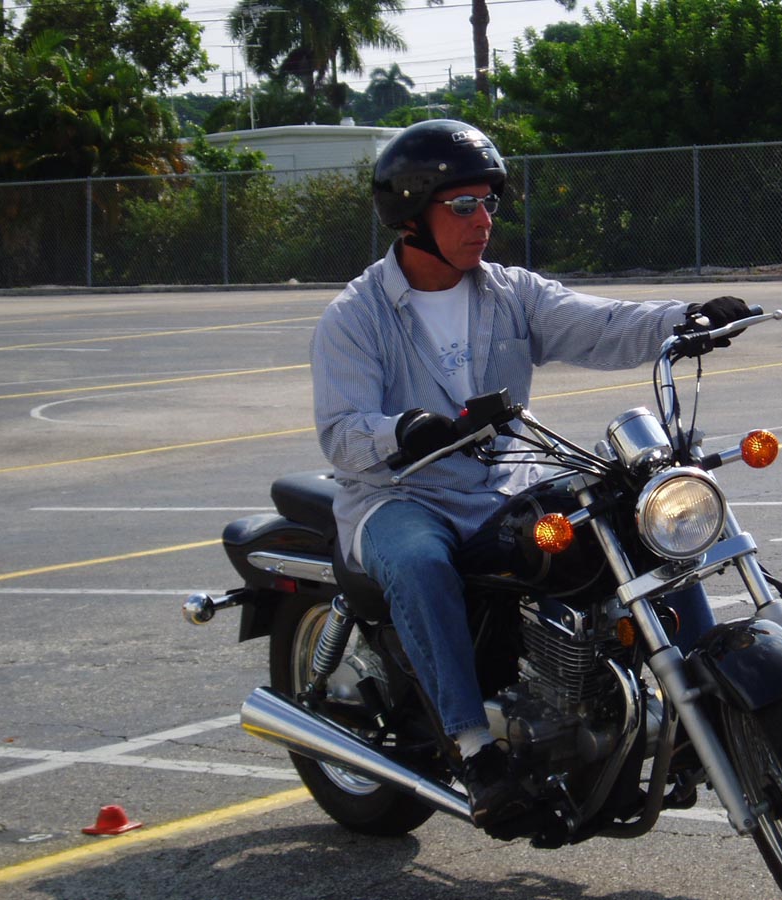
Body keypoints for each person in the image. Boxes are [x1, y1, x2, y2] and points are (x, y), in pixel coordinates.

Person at [309, 119, 748, 829]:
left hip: (506, 480)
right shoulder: (356, 316)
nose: (483, 221)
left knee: (633, 515)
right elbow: (340, 433)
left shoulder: (509, 292)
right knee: (420, 564)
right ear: (411, 214)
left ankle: (702, 694)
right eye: (463, 206)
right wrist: (405, 430)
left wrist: (686, 316)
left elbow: (600, 323)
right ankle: (473, 748)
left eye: (488, 203)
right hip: (402, 494)